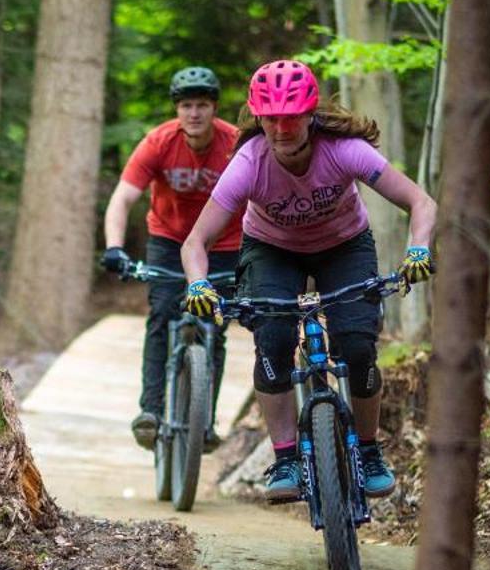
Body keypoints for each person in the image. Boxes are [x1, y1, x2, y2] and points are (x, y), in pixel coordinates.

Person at [177, 58, 437, 503]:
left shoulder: (345, 149)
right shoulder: (248, 164)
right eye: (272, 118)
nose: (282, 128)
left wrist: (419, 249)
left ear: (310, 113)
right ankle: (286, 457)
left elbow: (420, 202)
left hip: (344, 245)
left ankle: (369, 452)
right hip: (272, 251)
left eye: (292, 117)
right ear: (258, 117)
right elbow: (194, 242)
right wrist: (198, 285)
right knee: (273, 341)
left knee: (357, 347)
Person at [100, 65, 245, 451]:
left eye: (201, 105)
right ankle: (150, 411)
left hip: (223, 243)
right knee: (162, 314)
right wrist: (115, 247)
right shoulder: (159, 142)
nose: (193, 113)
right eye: (185, 106)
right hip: (167, 239)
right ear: (177, 110)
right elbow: (123, 197)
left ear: (214, 108)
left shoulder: (235, 143)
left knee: (215, 324)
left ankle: (205, 422)